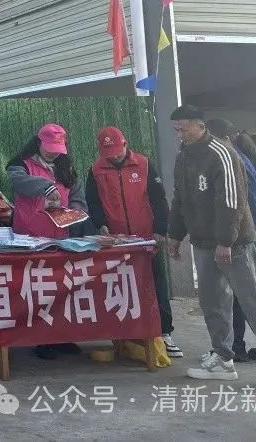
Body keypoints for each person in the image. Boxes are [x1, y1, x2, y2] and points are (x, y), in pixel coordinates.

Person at [167, 105, 256, 392]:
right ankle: (223, 358)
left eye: (183, 129)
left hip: (233, 243)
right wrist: (175, 235)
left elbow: (232, 200)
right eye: (176, 130)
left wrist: (226, 241)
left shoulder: (221, 153)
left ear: (200, 126)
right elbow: (180, 198)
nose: (179, 135)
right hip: (203, 242)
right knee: (212, 302)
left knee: (251, 300)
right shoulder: (183, 156)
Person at [84, 127, 180, 359]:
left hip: (146, 238)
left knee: (156, 284)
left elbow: (159, 199)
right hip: (116, 241)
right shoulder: (96, 170)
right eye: (109, 153)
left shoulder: (144, 164)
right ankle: (125, 335)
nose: (115, 156)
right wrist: (100, 224)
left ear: (126, 145)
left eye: (117, 151)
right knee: (121, 287)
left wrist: (160, 229)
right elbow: (93, 202)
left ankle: (164, 332)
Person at [7, 123, 87, 360]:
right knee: (37, 289)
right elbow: (19, 182)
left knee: (61, 288)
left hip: (61, 237)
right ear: (38, 142)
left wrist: (75, 212)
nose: (54, 153)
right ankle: (41, 339)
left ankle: (61, 336)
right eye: (50, 147)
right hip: (30, 238)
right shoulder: (21, 164)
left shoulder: (66, 166)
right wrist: (47, 186)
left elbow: (77, 196)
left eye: (58, 149)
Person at [207, 119, 256, 362]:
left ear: (224, 139)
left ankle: (241, 346)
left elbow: (236, 207)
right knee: (245, 295)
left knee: (242, 296)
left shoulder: (233, 162)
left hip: (241, 238)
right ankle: (253, 345)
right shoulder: (238, 158)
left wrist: (228, 240)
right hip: (247, 236)